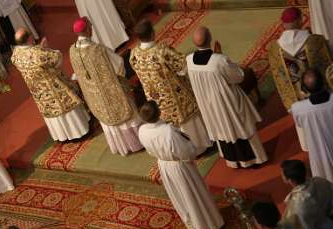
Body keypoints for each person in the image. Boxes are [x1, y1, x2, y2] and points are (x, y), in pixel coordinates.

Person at [138, 101, 224, 229]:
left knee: (182, 197)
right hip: (180, 167)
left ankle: (197, 225)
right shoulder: (168, 130)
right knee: (193, 195)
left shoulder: (142, 130)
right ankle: (209, 225)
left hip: (164, 165)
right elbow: (187, 152)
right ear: (159, 112)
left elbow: (150, 151)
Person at [187, 26, 268, 169]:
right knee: (239, 127)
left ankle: (234, 162)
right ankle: (254, 161)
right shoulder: (219, 60)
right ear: (210, 38)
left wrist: (216, 56)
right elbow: (238, 77)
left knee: (222, 130)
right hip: (227, 104)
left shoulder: (189, 60)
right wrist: (218, 55)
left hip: (209, 106)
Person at [130, 19, 211, 154]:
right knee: (186, 119)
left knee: (169, 122)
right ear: (152, 33)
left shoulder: (134, 54)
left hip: (155, 98)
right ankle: (200, 147)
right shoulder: (162, 51)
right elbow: (182, 65)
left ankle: (183, 150)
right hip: (175, 96)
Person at [69, 17, 142, 156]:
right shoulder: (98, 50)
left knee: (108, 116)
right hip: (111, 91)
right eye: (90, 27)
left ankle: (121, 147)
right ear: (87, 30)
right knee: (124, 109)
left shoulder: (72, 50)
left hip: (94, 95)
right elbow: (119, 65)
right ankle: (135, 143)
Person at [268, 7, 331, 151]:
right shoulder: (315, 41)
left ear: (283, 24)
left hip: (297, 101)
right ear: (300, 20)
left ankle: (310, 147)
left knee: (309, 134)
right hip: (321, 96)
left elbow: (279, 78)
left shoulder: (274, 49)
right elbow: (327, 67)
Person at [11, 28, 90, 142]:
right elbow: (57, 58)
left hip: (39, 93)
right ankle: (79, 132)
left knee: (52, 112)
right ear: (30, 39)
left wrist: (40, 49)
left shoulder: (15, 55)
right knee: (65, 107)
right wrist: (45, 48)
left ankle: (62, 136)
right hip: (54, 89)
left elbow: (30, 58)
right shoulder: (38, 53)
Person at [290, 69, 333, 182]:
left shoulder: (297, 108)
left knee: (325, 180)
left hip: (318, 151)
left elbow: (299, 124)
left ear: (304, 89)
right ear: (324, 82)